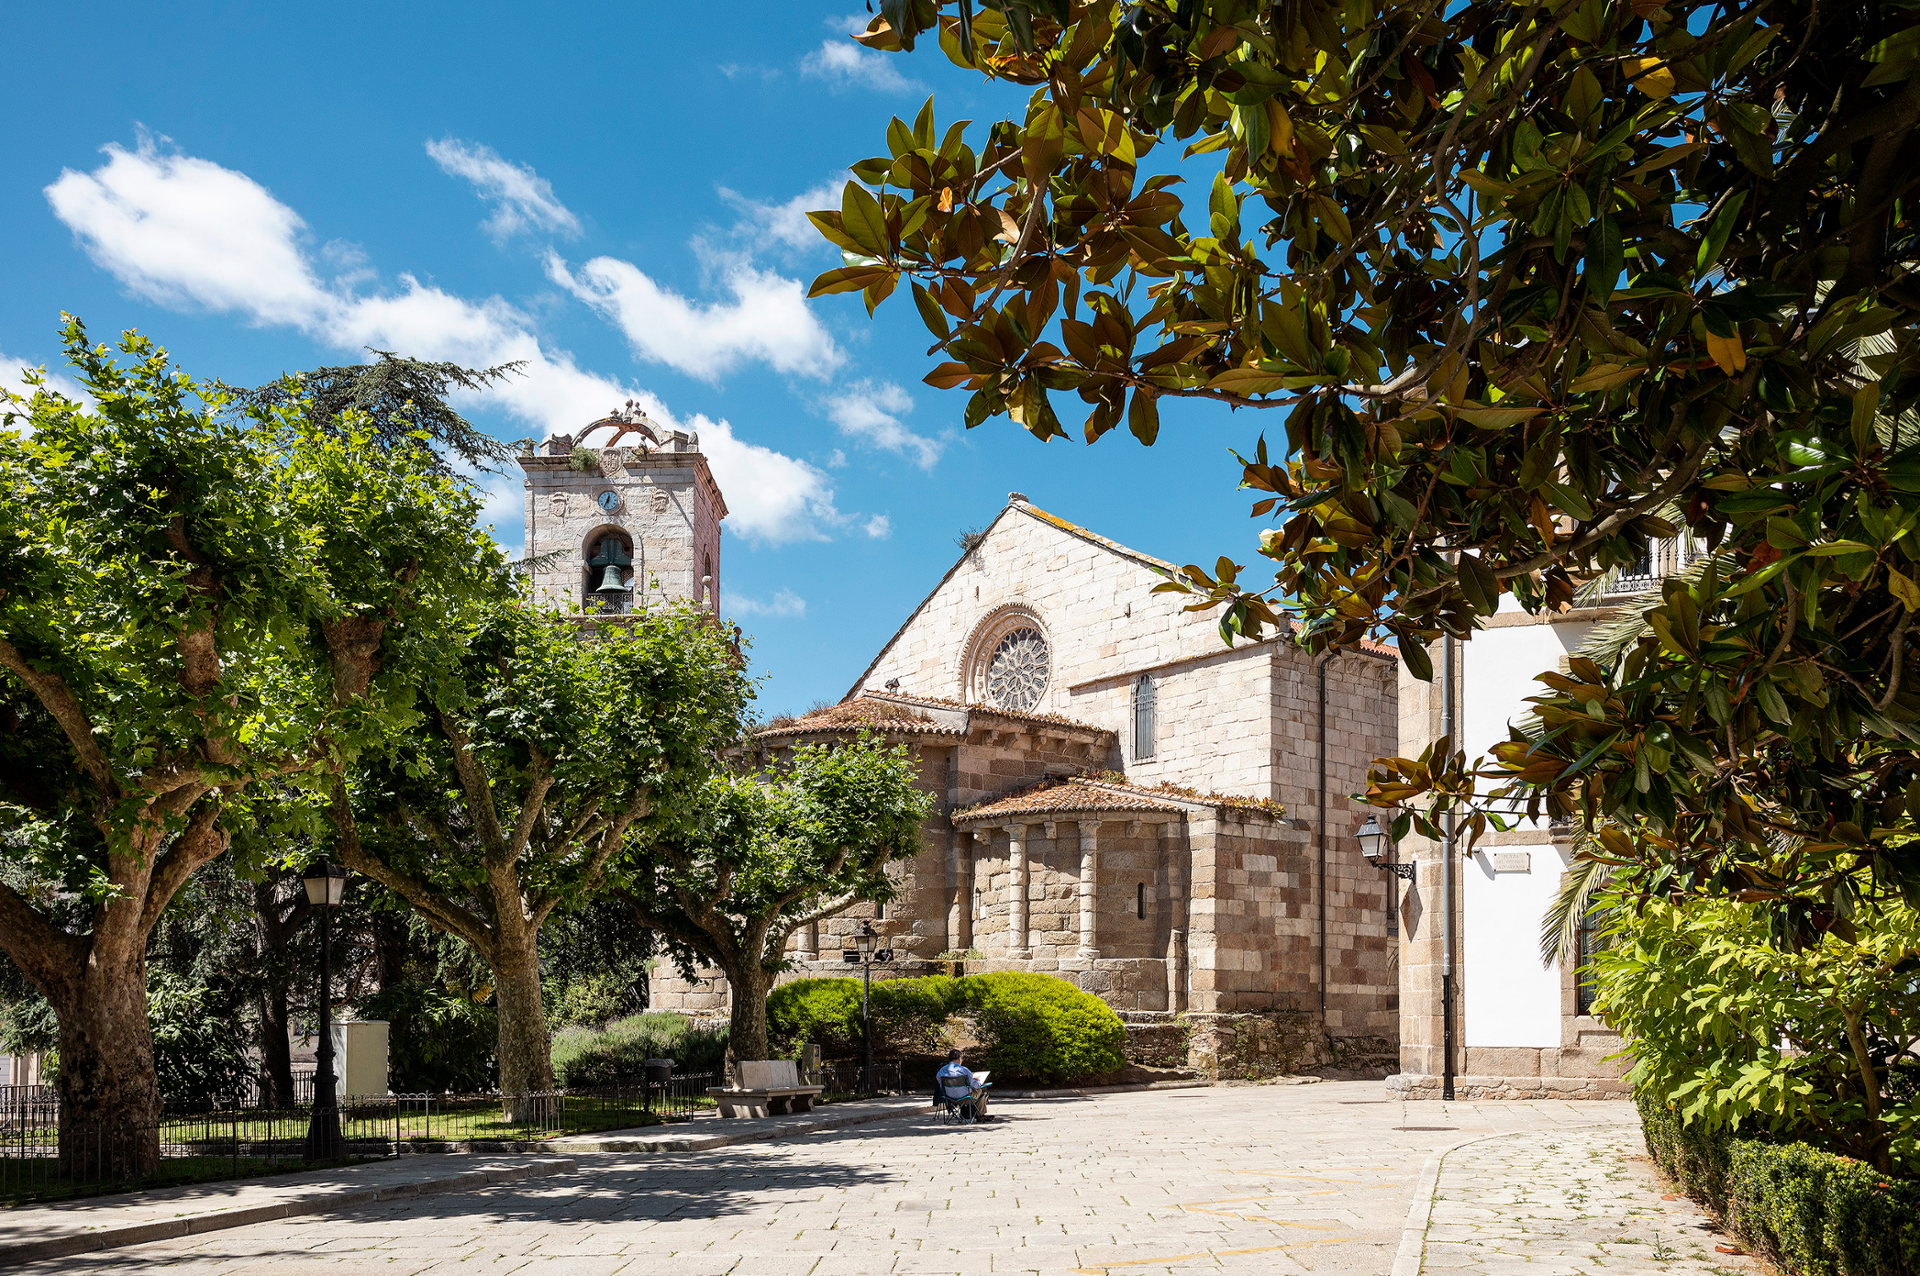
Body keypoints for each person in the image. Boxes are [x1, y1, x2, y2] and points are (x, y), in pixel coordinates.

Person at [934, 1049, 990, 1120]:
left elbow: (941, 1085)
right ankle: (980, 1115)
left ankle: (966, 1114)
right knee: (982, 1091)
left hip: (949, 1098)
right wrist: (978, 1081)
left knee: (969, 1090)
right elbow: (975, 1086)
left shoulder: (942, 1071)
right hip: (966, 1098)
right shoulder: (964, 1070)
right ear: (959, 1059)